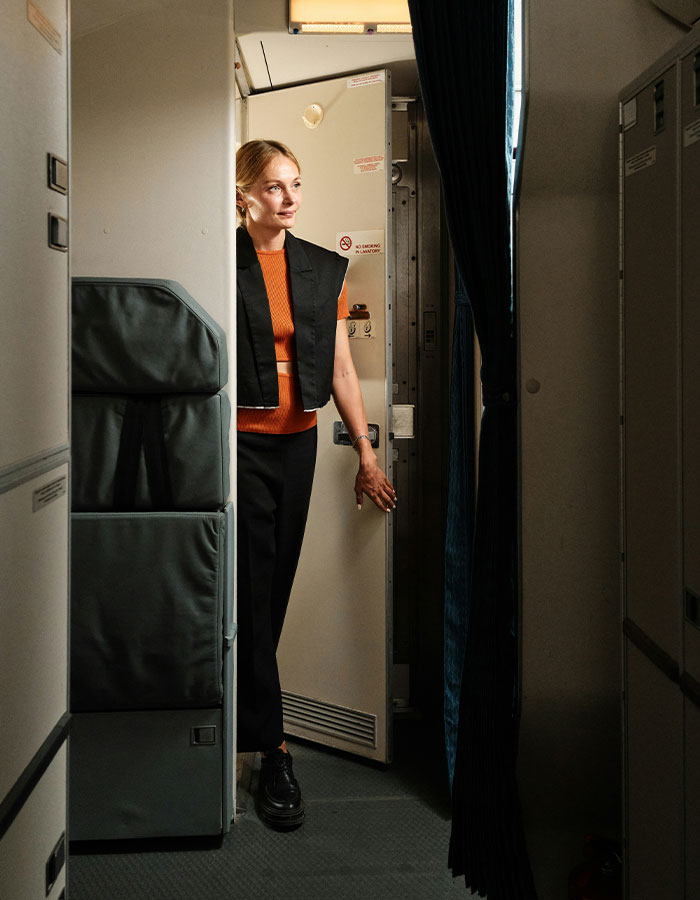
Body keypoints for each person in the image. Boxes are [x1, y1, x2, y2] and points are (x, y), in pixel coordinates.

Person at [235, 139, 396, 830]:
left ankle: (248, 724)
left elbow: (339, 369)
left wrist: (366, 453)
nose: (289, 198)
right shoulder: (218, 258)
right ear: (243, 194)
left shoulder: (323, 268)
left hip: (296, 445)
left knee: (272, 590)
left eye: (296, 184)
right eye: (274, 186)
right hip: (236, 445)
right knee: (249, 593)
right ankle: (274, 749)